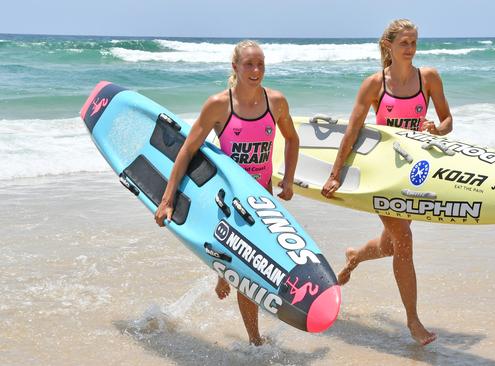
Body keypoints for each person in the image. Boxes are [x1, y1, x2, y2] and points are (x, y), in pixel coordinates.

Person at [154, 40, 299, 346]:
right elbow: (187, 151)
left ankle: (224, 271)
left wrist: (288, 180)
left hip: (264, 197)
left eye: (260, 64)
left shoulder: (277, 102)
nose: (256, 70)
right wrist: (167, 200)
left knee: (269, 260)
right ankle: (255, 339)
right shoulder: (219, 105)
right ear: (235, 67)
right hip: (231, 201)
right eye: (249, 64)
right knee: (247, 272)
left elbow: (292, 139)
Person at [321, 19, 452, 346]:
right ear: (388, 46)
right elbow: (352, 132)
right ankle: (413, 321)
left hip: (415, 174)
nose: (410, 49)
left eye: (413, 43)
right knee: (404, 241)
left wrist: (436, 128)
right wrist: (335, 173)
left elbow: (448, 121)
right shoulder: (374, 85)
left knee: (391, 244)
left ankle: (354, 256)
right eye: (404, 43)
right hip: (383, 173)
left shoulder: (429, 79)